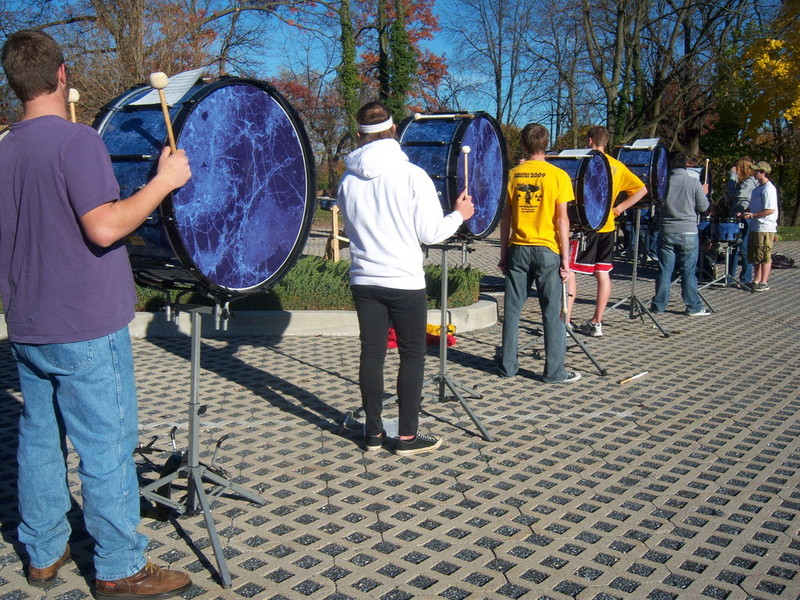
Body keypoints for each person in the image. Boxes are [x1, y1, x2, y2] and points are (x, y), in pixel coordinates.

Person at [0, 30, 193, 597]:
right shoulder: (76, 140)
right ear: (62, 75)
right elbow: (105, 227)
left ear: (15, 84)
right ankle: (119, 566)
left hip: (28, 324)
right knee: (105, 446)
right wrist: (164, 182)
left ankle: (43, 552)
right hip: (84, 325)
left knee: (39, 439)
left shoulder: (4, 149)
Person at [336, 101, 474, 455]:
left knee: (371, 354)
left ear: (359, 134)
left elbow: (351, 230)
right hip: (404, 281)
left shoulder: (347, 180)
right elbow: (430, 233)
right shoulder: (413, 175)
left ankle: (373, 434)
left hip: (364, 278)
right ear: (394, 130)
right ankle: (408, 437)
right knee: (412, 356)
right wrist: (459, 215)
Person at [497, 123, 580, 383]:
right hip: (547, 250)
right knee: (552, 313)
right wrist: (566, 259)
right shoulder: (558, 176)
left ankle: (507, 367)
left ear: (523, 145)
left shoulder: (513, 175)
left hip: (518, 249)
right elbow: (562, 220)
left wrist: (503, 253)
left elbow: (506, 218)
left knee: (512, 311)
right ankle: (553, 371)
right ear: (547, 145)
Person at [566, 126, 648, 336]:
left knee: (569, 270)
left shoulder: (585, 162)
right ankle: (597, 322)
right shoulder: (617, 166)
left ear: (590, 141)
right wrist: (619, 208)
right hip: (608, 225)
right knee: (602, 273)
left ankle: (564, 322)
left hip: (587, 226)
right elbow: (642, 189)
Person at [650, 151, 710, 315]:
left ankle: (659, 305)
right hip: (688, 230)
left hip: (667, 229)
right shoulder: (693, 182)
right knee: (688, 271)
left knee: (664, 270)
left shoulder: (663, 183)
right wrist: (703, 193)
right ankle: (693, 306)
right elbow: (704, 207)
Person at [741, 161, 778, 291]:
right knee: (756, 255)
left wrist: (753, 215)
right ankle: (756, 280)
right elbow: (754, 207)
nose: (754, 173)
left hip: (765, 227)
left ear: (763, 172)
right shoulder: (757, 189)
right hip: (755, 226)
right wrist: (745, 212)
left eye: (756, 171)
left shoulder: (769, 189)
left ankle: (764, 281)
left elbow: (770, 210)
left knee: (764, 255)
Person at [726, 157, 757, 285]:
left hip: (742, 216)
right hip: (737, 214)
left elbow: (735, 194)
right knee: (733, 247)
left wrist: (732, 177)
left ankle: (745, 278)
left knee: (743, 247)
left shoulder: (749, 182)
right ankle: (730, 276)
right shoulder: (748, 182)